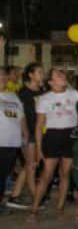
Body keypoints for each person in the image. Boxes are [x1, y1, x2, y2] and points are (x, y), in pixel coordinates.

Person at [27, 68, 78, 221]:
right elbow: (39, 126)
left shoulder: (74, 94)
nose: (62, 76)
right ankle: (34, 210)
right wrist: (38, 148)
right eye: (58, 75)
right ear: (50, 82)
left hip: (70, 136)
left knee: (65, 174)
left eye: (63, 74)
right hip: (52, 136)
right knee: (46, 175)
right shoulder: (45, 99)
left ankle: (60, 209)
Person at [9, 62, 45, 209]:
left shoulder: (41, 92)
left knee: (29, 166)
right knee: (31, 166)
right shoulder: (23, 93)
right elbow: (20, 116)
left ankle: (14, 196)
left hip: (38, 134)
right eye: (39, 72)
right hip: (27, 134)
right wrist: (23, 134)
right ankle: (35, 197)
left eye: (43, 72)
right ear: (31, 75)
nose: (42, 75)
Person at [0, 45, 29, 215]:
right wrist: (2, 49)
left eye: (4, 76)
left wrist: (25, 135)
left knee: (3, 175)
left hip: (12, 143)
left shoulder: (13, 96)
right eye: (0, 76)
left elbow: (21, 117)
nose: (3, 78)